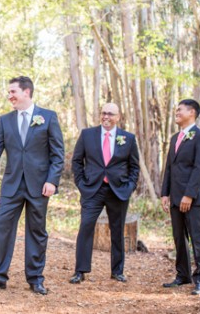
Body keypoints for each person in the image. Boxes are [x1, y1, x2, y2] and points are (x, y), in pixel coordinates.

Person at [0, 76, 64, 295]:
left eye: (13, 91)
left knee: (37, 231)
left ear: (26, 92)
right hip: (12, 185)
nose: (9, 96)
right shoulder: (6, 120)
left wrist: (52, 180)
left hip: (39, 185)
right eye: (9, 92)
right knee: (2, 227)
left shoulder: (48, 117)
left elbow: (58, 154)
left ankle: (35, 278)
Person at [69, 103, 140, 284]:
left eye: (110, 114)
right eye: (103, 113)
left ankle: (117, 271)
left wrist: (129, 187)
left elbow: (134, 167)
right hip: (92, 189)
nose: (106, 117)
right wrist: (82, 184)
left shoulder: (128, 138)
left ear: (118, 117)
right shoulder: (87, 135)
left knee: (117, 230)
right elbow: (77, 161)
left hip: (118, 191)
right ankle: (80, 271)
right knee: (86, 227)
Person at [161, 99, 200, 295]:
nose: (176, 113)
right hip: (174, 197)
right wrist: (165, 193)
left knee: (198, 239)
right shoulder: (175, 138)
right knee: (179, 237)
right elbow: (169, 168)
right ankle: (183, 275)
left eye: (180, 110)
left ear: (192, 112)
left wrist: (189, 195)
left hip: (194, 198)